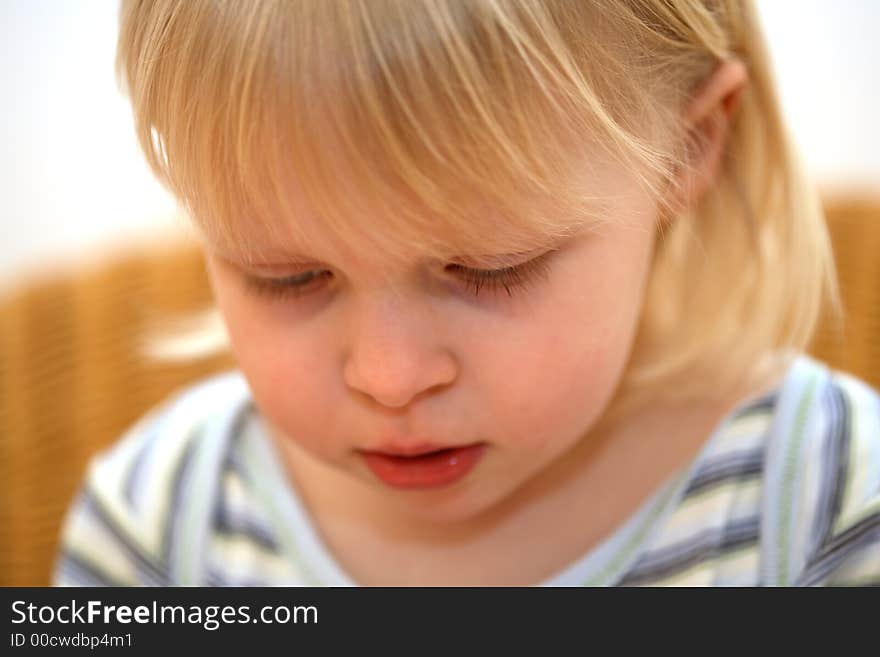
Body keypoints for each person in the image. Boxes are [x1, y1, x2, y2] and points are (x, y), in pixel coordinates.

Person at [54, 0, 879, 586]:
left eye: (492, 267)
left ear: (690, 147)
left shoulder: (825, 501)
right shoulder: (157, 523)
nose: (391, 376)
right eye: (289, 277)